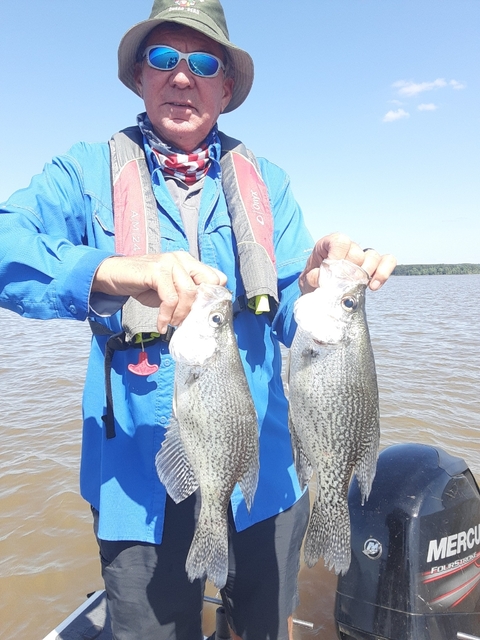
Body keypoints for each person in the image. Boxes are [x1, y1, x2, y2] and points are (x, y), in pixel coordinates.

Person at [0, 1, 396, 639]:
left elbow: (298, 308)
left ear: (227, 85)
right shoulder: (82, 172)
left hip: (265, 471)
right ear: (138, 75)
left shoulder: (268, 183)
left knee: (264, 629)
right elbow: (5, 247)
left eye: (203, 62)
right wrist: (116, 271)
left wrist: (319, 286)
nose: (181, 77)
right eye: (163, 58)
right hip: (136, 476)